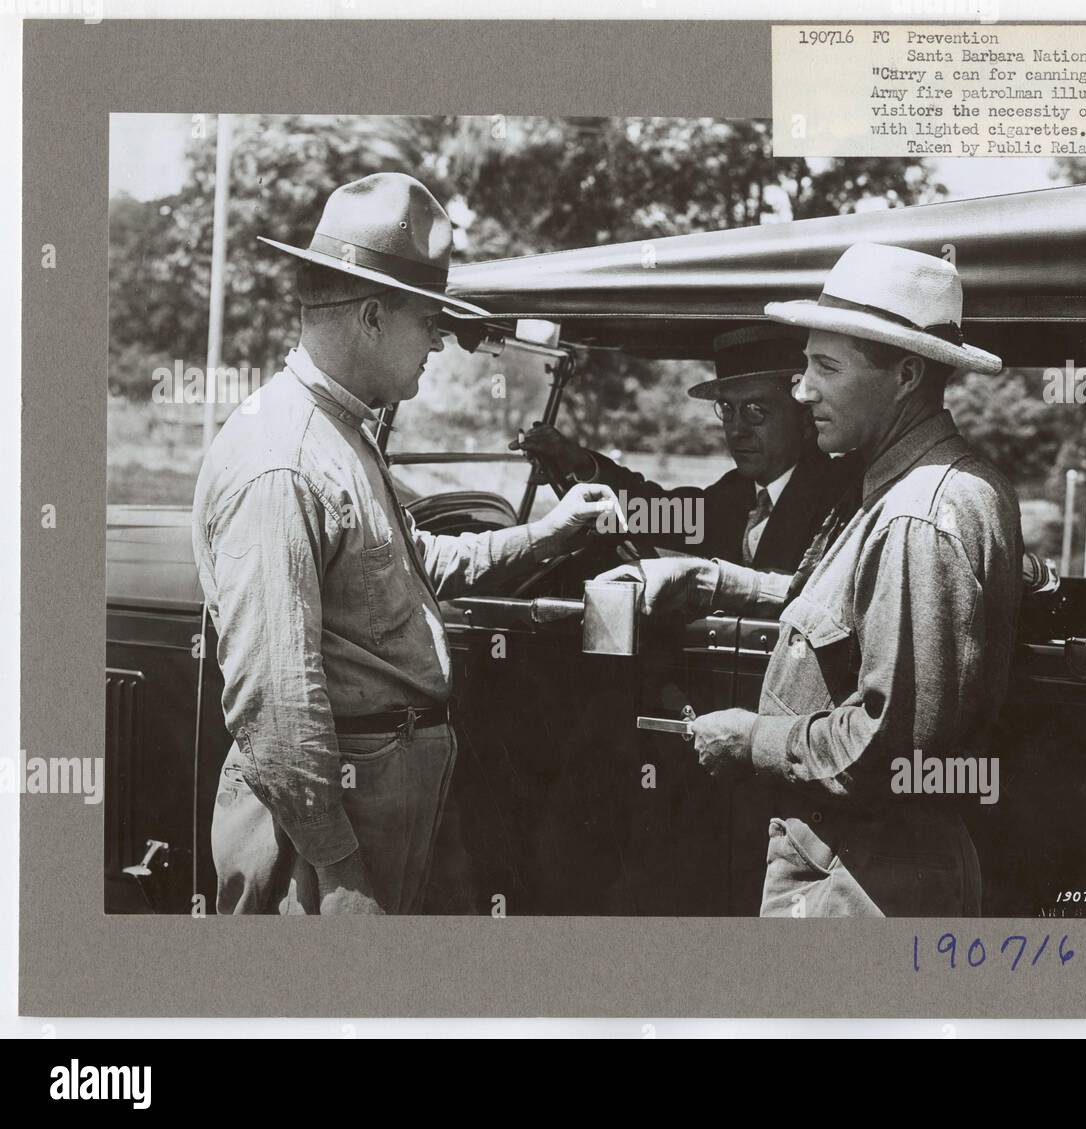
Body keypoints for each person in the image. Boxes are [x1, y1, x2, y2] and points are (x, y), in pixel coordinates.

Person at [193, 173, 616, 915]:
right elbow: (275, 701)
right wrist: (343, 873)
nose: (441, 345)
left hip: (385, 804)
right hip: (323, 841)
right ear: (372, 316)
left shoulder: (341, 432)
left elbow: (415, 566)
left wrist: (550, 535)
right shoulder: (284, 457)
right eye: (431, 323)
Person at [599, 242, 1024, 917]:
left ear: (907, 375)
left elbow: (890, 749)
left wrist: (750, 738)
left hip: (861, 879)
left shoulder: (915, 514)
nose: (803, 390)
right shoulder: (913, 490)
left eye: (825, 367)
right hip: (857, 866)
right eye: (805, 365)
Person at [515, 325, 855, 570]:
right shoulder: (732, 496)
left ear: (805, 418)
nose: (736, 429)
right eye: (727, 410)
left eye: (756, 411)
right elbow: (644, 514)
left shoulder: (843, 499)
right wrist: (575, 462)